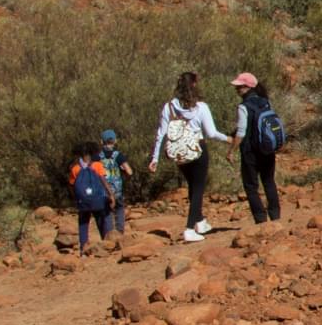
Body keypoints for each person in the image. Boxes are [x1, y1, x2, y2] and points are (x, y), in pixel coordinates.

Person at [148, 71, 232, 242]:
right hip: (198, 149)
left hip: (179, 153)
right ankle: (189, 229)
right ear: (194, 85)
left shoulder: (169, 107)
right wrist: (228, 139)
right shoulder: (201, 107)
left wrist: (155, 158)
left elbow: (161, 134)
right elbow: (211, 133)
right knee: (198, 188)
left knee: (193, 186)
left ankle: (200, 221)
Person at [231, 71, 282, 224]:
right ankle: (275, 216)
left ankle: (260, 220)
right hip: (267, 149)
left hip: (250, 152)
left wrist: (231, 150)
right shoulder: (265, 101)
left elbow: (241, 131)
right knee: (268, 181)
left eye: (240, 86)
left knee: (251, 186)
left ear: (248, 87)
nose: (237, 89)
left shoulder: (243, 107)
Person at [69, 142, 115, 256]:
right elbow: (104, 181)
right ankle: (106, 245)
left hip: (83, 202)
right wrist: (111, 195)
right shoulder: (97, 165)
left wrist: (76, 199)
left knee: (83, 223)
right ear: (92, 153)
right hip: (98, 199)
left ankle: (83, 249)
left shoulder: (75, 169)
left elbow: (71, 185)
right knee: (101, 220)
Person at [97, 129, 132, 236]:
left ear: (101, 142)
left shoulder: (97, 156)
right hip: (117, 190)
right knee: (120, 209)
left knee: (106, 212)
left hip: (104, 191)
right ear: (115, 141)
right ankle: (120, 233)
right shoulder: (118, 155)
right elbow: (129, 172)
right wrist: (124, 175)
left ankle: (109, 236)